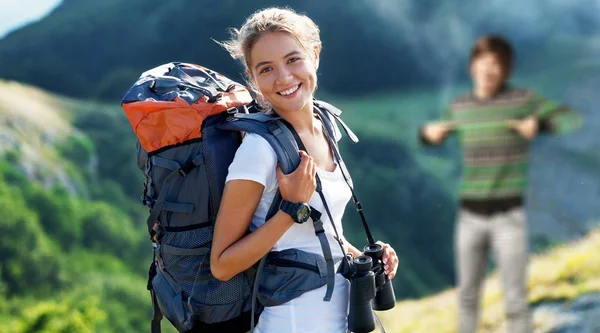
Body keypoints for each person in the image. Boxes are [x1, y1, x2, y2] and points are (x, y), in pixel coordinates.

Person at [210, 7, 399, 333]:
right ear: (252, 77)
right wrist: (290, 208)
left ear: (315, 54)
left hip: (342, 315)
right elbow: (222, 265)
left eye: (293, 59)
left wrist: (365, 254)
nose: (283, 77)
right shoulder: (259, 150)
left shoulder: (328, 125)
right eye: (266, 68)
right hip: (293, 321)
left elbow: (320, 232)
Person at [420, 34, 582, 333]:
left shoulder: (522, 100)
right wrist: (430, 134)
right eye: (484, 63)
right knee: (467, 296)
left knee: (515, 296)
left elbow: (571, 119)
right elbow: (433, 133)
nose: (489, 70)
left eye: (498, 65)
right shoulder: (460, 106)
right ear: (473, 66)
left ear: (506, 70)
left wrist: (540, 125)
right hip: (469, 215)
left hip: (509, 215)